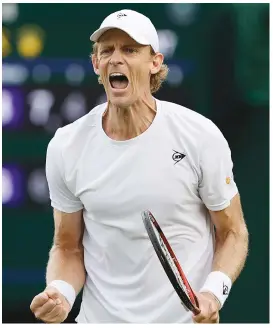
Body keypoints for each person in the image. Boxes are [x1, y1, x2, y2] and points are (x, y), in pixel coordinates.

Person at [30, 9, 249, 324]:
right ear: (96, 64)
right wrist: (61, 293)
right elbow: (67, 246)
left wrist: (213, 292)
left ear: (155, 63)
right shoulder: (66, 146)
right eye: (107, 51)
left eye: (130, 50)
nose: (116, 59)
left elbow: (232, 231)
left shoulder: (199, 136)